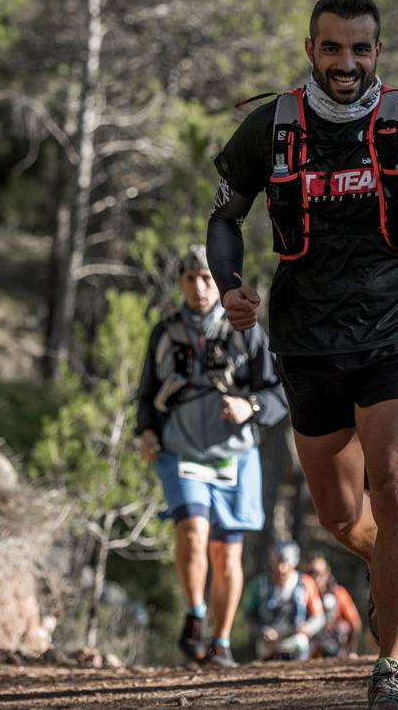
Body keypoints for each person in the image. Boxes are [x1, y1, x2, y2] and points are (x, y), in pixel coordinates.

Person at [207, 0, 398, 709]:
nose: (346, 62)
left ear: (378, 52)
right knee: (342, 519)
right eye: (332, 48)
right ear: (312, 50)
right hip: (307, 341)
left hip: (394, 335)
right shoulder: (272, 126)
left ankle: (391, 666)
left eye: (360, 49)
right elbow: (224, 213)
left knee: (397, 490)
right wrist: (229, 283)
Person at [136, 246, 288, 668]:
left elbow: (278, 394)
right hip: (181, 448)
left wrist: (249, 406)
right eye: (191, 279)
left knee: (227, 555)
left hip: (235, 456)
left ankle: (220, 642)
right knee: (192, 532)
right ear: (180, 283)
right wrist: (147, 431)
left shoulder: (246, 331)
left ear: (220, 282)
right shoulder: (164, 332)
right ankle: (197, 614)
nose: (200, 287)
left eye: (208, 278)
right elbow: (147, 394)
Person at [243, 540, 326, 660]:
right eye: (278, 563)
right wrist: (261, 630)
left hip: (296, 643)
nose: (281, 569)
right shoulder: (260, 584)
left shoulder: (305, 583)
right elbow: (249, 615)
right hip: (269, 646)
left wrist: (309, 627)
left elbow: (319, 616)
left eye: (285, 564)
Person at [305, 553, 362, 658]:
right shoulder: (301, 595)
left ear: (327, 572)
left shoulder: (339, 593)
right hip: (308, 652)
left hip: (336, 651)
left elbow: (355, 624)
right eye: (310, 574)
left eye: (318, 573)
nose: (315, 578)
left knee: (342, 627)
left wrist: (351, 651)